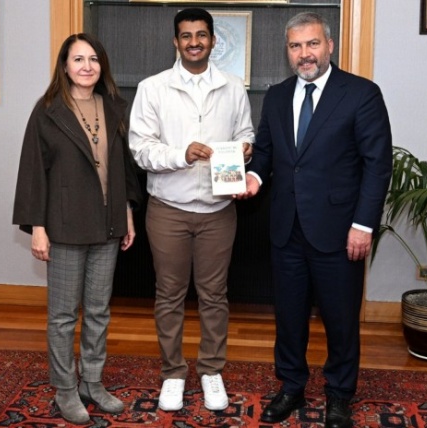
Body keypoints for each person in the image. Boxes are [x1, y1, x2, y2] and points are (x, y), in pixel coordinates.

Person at [236, 12, 392, 428]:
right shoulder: (276, 96)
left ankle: (339, 394)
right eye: (295, 46)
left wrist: (363, 225)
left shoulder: (361, 94)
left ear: (329, 46)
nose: (304, 53)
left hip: (339, 232)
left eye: (312, 44)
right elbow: (266, 152)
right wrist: (253, 177)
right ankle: (291, 386)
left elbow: (377, 166)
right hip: (286, 228)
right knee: (288, 317)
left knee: (340, 320)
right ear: (287, 51)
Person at [128, 8, 254, 413]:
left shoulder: (232, 87)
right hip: (169, 209)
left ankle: (211, 370)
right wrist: (181, 154)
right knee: (169, 294)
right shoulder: (152, 88)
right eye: (186, 36)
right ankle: (173, 373)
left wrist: (246, 148)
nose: (194, 42)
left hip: (219, 210)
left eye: (201, 35)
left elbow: (245, 132)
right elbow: (140, 148)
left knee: (215, 294)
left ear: (213, 41)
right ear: (176, 42)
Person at [12, 33, 141, 424]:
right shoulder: (47, 110)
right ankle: (66, 389)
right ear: (65, 67)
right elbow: (33, 171)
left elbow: (123, 168)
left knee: (99, 312)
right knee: (63, 316)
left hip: (108, 225)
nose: (87, 66)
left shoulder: (114, 106)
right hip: (65, 226)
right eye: (78, 59)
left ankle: (92, 383)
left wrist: (127, 213)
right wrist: (38, 227)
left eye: (94, 59)